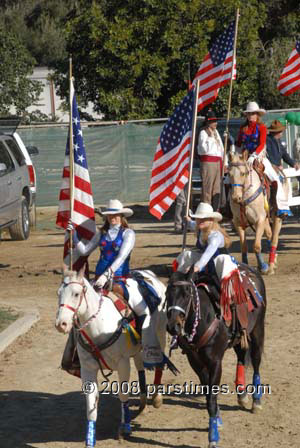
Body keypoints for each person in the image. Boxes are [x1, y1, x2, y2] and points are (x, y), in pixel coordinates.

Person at [70, 199, 164, 368]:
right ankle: (77, 352)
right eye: (110, 215)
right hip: (98, 279)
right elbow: (84, 251)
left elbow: (121, 256)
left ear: (121, 216)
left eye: (116, 215)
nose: (113, 218)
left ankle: (145, 345)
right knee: (77, 308)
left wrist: (108, 275)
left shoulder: (128, 234)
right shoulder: (101, 233)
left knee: (142, 310)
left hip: (121, 279)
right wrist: (74, 236)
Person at [174, 202, 262, 325]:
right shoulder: (200, 227)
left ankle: (229, 296)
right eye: (198, 218)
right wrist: (188, 220)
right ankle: (179, 281)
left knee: (221, 264)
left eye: (203, 219)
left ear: (211, 220)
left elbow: (208, 253)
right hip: (207, 261)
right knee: (186, 254)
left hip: (218, 263)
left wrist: (197, 266)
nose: (200, 221)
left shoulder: (215, 235)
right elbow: (193, 224)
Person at [266, 120, 300, 214]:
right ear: (276, 132)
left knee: (283, 185)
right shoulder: (267, 140)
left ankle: (280, 207)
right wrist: (273, 165)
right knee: (274, 186)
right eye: (280, 131)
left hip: (277, 169)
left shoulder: (278, 141)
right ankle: (272, 206)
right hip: (269, 168)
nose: (282, 133)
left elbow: (284, 154)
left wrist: (293, 164)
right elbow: (267, 155)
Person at [197, 110, 225, 211]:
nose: (215, 123)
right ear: (208, 122)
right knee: (207, 189)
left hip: (217, 162)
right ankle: (206, 211)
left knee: (217, 189)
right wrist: (210, 137)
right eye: (213, 121)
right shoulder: (203, 133)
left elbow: (221, 148)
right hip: (208, 162)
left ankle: (215, 210)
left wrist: (224, 162)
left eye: (215, 121)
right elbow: (204, 149)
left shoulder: (216, 132)